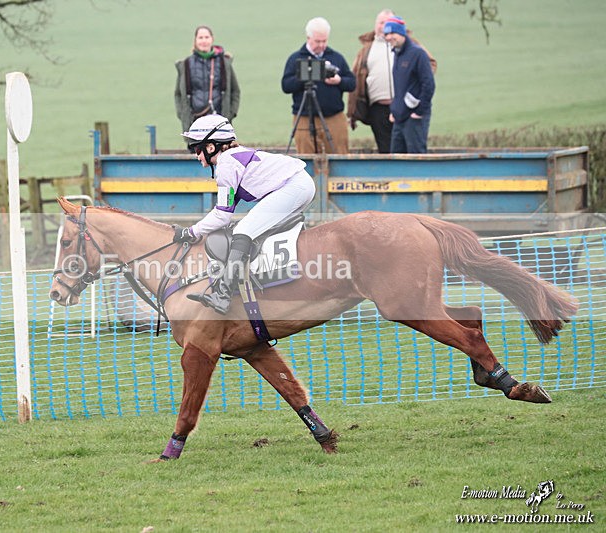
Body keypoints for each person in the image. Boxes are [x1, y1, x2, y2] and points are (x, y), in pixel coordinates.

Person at [173, 114, 316, 315]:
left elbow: (222, 215)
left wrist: (192, 231)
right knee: (249, 228)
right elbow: (225, 213)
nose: (196, 155)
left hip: (295, 186)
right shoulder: (232, 159)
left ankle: (223, 295)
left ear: (211, 147)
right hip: (299, 184)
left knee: (244, 230)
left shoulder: (226, 164)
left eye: (197, 148)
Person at [347, 9, 437, 153]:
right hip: (383, 110)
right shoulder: (369, 49)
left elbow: (428, 78)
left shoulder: (415, 49)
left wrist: (418, 103)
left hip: (411, 110)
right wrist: (353, 112)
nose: (387, 33)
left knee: (414, 152)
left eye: (390, 28)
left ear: (401, 31)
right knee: (389, 153)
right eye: (382, 24)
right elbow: (356, 78)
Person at [281, 17, 356, 154]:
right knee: (306, 158)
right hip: (304, 116)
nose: (321, 45)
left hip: (334, 117)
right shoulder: (296, 58)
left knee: (339, 155)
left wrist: (339, 80)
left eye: (324, 41)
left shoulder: (336, 57)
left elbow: (351, 83)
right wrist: (305, 75)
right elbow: (286, 86)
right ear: (308, 38)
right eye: (317, 41)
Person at [174, 26, 241, 141]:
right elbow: (178, 94)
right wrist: (183, 115)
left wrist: (230, 114)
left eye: (206, 37)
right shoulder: (186, 65)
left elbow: (235, 91)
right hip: (194, 125)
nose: (204, 41)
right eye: (200, 37)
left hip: (219, 124)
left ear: (212, 39)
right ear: (195, 40)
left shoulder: (224, 63)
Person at [384, 16, 435, 154]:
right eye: (386, 34)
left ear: (401, 33)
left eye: (392, 33)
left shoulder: (417, 54)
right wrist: (394, 109)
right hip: (399, 118)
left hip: (414, 118)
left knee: (416, 158)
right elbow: (400, 87)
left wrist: (419, 111)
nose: (389, 37)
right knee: (396, 158)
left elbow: (428, 84)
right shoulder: (397, 54)